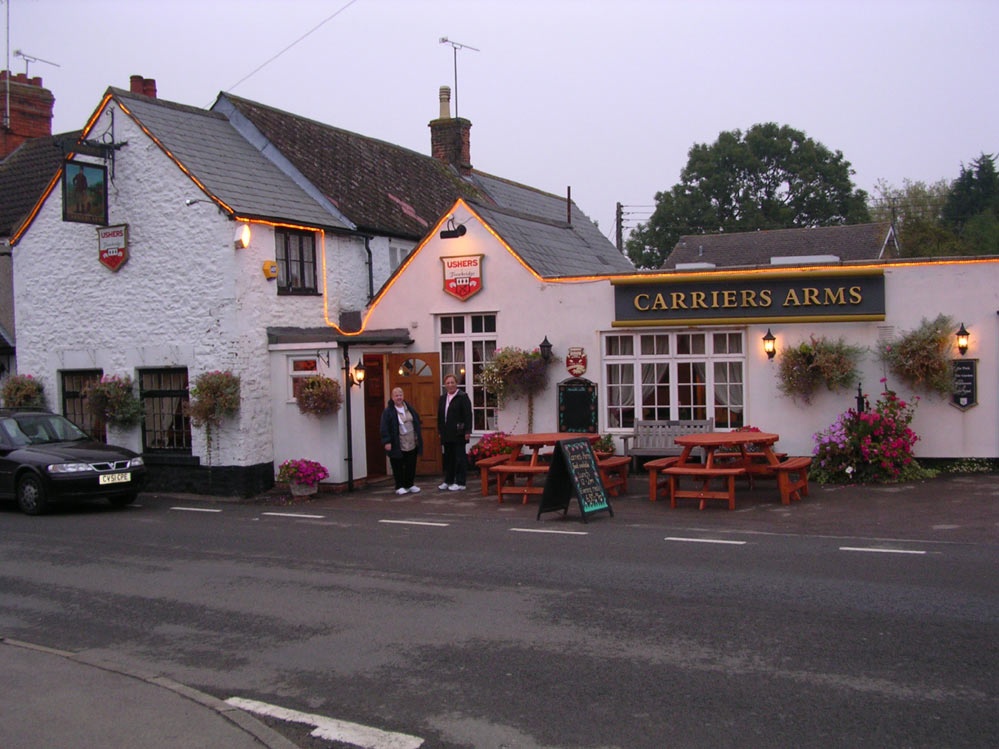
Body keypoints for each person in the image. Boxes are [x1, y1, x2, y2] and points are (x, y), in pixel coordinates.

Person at [380, 387, 423, 495]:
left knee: (411, 464)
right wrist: (387, 441)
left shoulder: (409, 408)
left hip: (411, 440)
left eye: (400, 395)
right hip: (397, 442)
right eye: (396, 395)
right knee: (397, 465)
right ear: (392, 397)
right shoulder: (388, 411)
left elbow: (416, 420)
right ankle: (399, 486)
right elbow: (384, 427)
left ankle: (410, 484)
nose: (399, 397)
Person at [437, 373, 472, 491]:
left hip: (459, 433)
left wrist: (468, 431)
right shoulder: (442, 398)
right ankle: (449, 480)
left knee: (459, 458)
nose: (450, 385)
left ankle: (461, 482)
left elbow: (468, 415)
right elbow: (440, 416)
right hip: (447, 434)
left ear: (456, 383)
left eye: (452, 382)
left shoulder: (463, 397)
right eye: (448, 383)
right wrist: (440, 431)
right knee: (448, 458)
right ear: (445, 385)